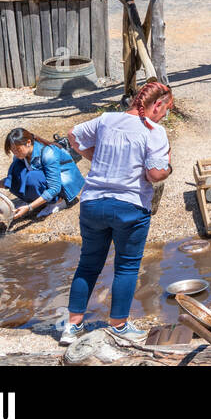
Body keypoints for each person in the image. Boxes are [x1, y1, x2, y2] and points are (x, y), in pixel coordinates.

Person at [61, 80, 173, 346]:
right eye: (166, 109)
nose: (166, 114)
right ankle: (119, 326)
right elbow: (155, 174)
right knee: (126, 267)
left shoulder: (107, 119)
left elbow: (72, 136)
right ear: (157, 105)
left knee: (88, 264)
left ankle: (72, 327)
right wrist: (169, 168)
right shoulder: (154, 131)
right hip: (129, 206)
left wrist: (95, 157)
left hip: (92, 204)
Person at [0, 127, 85, 220]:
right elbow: (13, 177)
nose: (15, 153)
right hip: (48, 180)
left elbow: (54, 188)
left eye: (17, 149)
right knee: (16, 167)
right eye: (13, 151)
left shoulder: (48, 153)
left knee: (32, 177)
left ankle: (58, 202)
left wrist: (30, 207)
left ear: (28, 143)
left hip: (64, 187)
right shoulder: (21, 156)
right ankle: (36, 200)